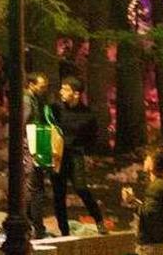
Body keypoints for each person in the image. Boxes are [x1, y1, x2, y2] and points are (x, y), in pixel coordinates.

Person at [50, 77, 108, 236]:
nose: (61, 92)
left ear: (76, 94)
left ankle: (99, 220)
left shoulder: (87, 114)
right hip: (58, 156)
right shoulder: (55, 108)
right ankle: (64, 231)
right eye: (61, 88)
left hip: (75, 154)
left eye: (65, 89)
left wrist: (84, 148)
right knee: (59, 194)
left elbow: (93, 136)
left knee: (81, 188)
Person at [23, 71, 52, 239]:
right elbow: (25, 122)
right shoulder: (28, 101)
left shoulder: (35, 100)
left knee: (33, 187)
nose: (44, 90)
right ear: (31, 85)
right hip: (32, 146)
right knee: (35, 187)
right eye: (42, 87)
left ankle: (32, 225)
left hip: (32, 145)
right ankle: (36, 227)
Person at [138, 152, 163, 244]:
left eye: (147, 159)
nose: (144, 161)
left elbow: (149, 213)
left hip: (155, 242)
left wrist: (132, 202)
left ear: (152, 166)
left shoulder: (155, 187)